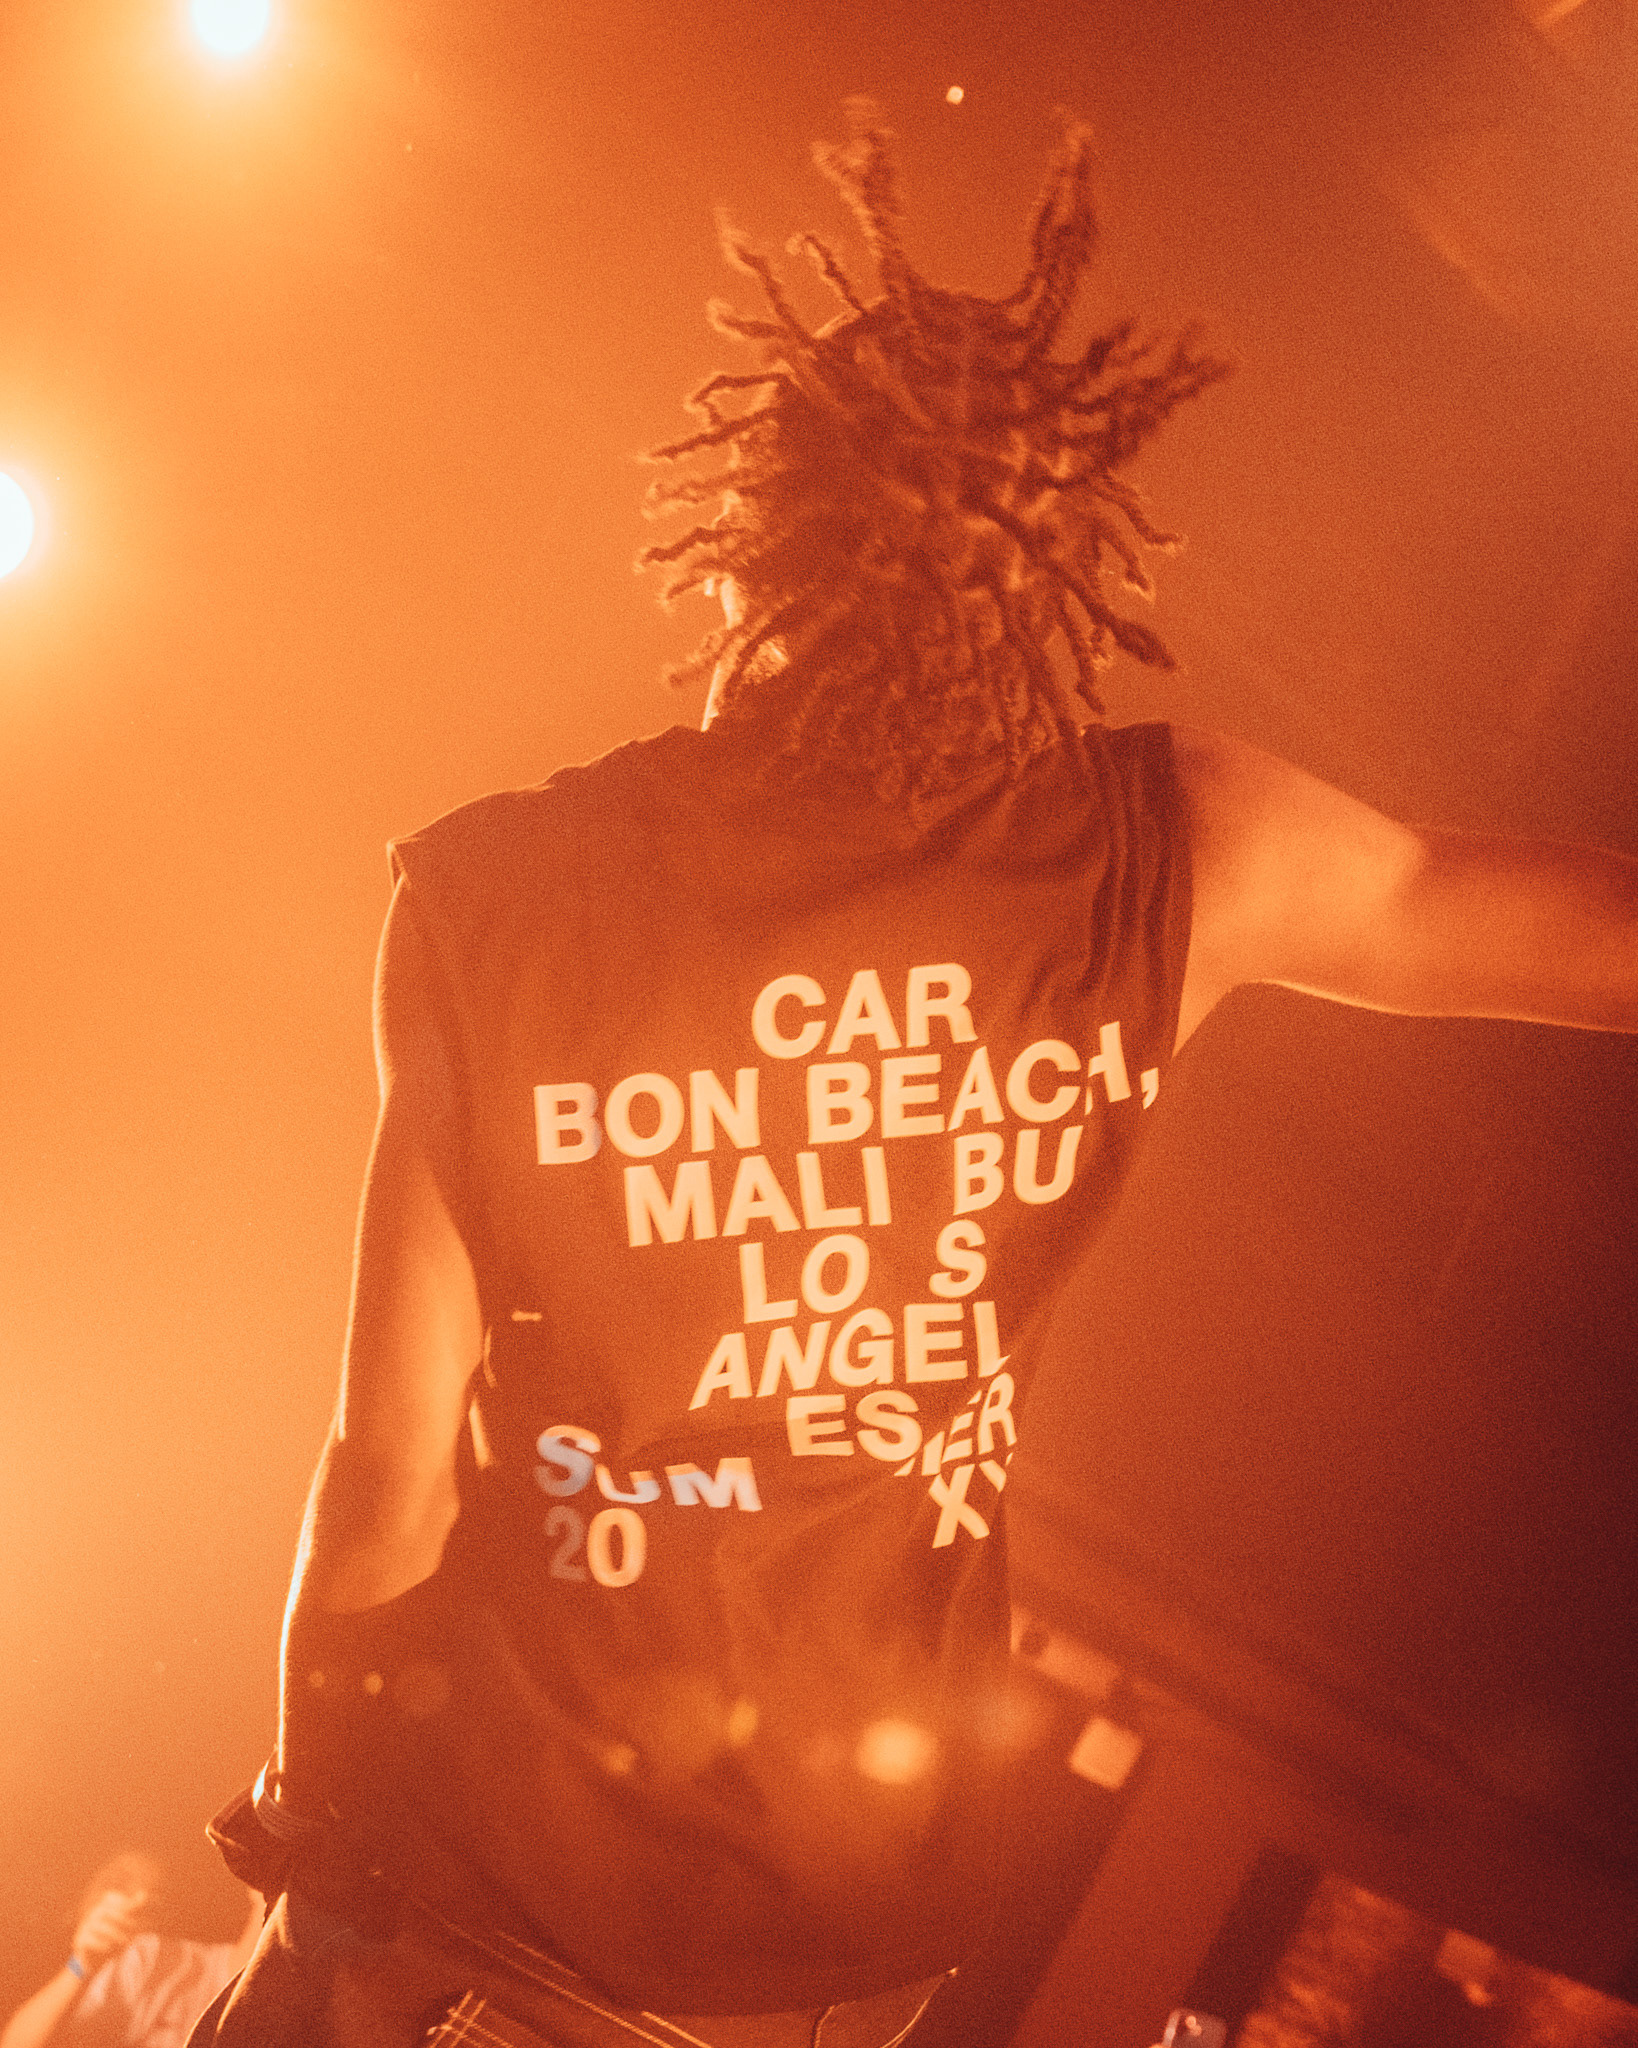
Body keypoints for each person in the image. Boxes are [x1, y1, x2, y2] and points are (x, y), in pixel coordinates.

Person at [190, 106, 1638, 2047]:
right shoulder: (1176, 849)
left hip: (491, 1895)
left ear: (746, 545)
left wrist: (309, 1850)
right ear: (1062, 578)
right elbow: (1544, 926)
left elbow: (385, 1481)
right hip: (841, 1951)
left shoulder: (500, 897)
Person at [2, 1853, 261, 2048]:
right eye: (121, 1884)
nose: (139, 1899)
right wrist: (80, 1966)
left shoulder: (285, 2012)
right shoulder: (147, 1960)